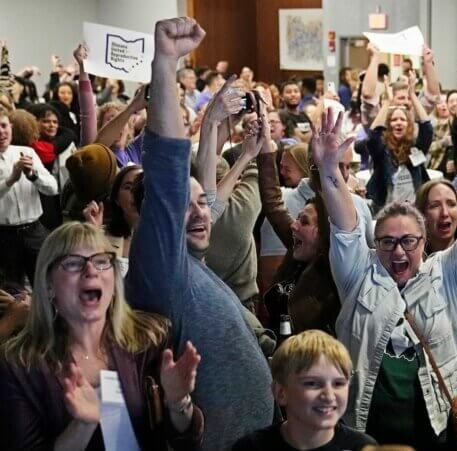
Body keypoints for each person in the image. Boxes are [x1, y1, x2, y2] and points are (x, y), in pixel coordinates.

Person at [315, 104, 457, 448]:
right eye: (388, 242)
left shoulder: (444, 272)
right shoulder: (358, 273)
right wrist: (329, 171)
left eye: (409, 241)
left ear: (424, 242)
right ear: (375, 244)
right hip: (364, 431)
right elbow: (345, 227)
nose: (399, 252)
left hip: (433, 431)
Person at [125, 18, 273, 450]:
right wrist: (166, 64)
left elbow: (208, 196)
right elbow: (170, 169)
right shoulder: (162, 270)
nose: (200, 212)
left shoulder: (194, 267)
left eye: (201, 202)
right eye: (182, 204)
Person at [0, 222, 204, 450]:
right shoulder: (19, 365)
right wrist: (82, 426)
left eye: (101, 261)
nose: (91, 271)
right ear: (48, 285)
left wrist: (178, 403)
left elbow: (186, 442)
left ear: (114, 281)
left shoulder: (151, 338)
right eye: (73, 263)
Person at [257, 111, 343, 335]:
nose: (293, 226)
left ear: (324, 232)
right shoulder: (299, 249)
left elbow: (325, 196)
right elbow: (273, 205)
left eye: (304, 222)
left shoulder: (336, 272)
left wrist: (320, 165)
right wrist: (266, 148)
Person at [233, 330, 377, 451]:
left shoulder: (362, 447)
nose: (328, 395)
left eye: (338, 383)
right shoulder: (251, 447)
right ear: (281, 392)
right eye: (312, 383)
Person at [0, 109, 57, 285]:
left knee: (46, 284)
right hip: (5, 235)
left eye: (3, 126)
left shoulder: (26, 152)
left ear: (11, 127)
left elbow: (53, 188)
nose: (1, 132)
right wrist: (11, 180)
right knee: (11, 291)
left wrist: (33, 176)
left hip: (34, 231)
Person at [366, 74, 433, 209]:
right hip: (385, 210)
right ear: (388, 125)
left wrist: (413, 96)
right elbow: (373, 136)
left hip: (414, 210)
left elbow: (427, 128)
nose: (398, 123)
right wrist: (387, 102)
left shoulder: (415, 148)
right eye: (394, 120)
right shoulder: (382, 150)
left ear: (409, 125)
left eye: (403, 120)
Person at [415, 179, 457, 254]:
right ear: (421, 214)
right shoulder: (413, 261)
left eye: (451, 204)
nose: (445, 213)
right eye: (435, 206)